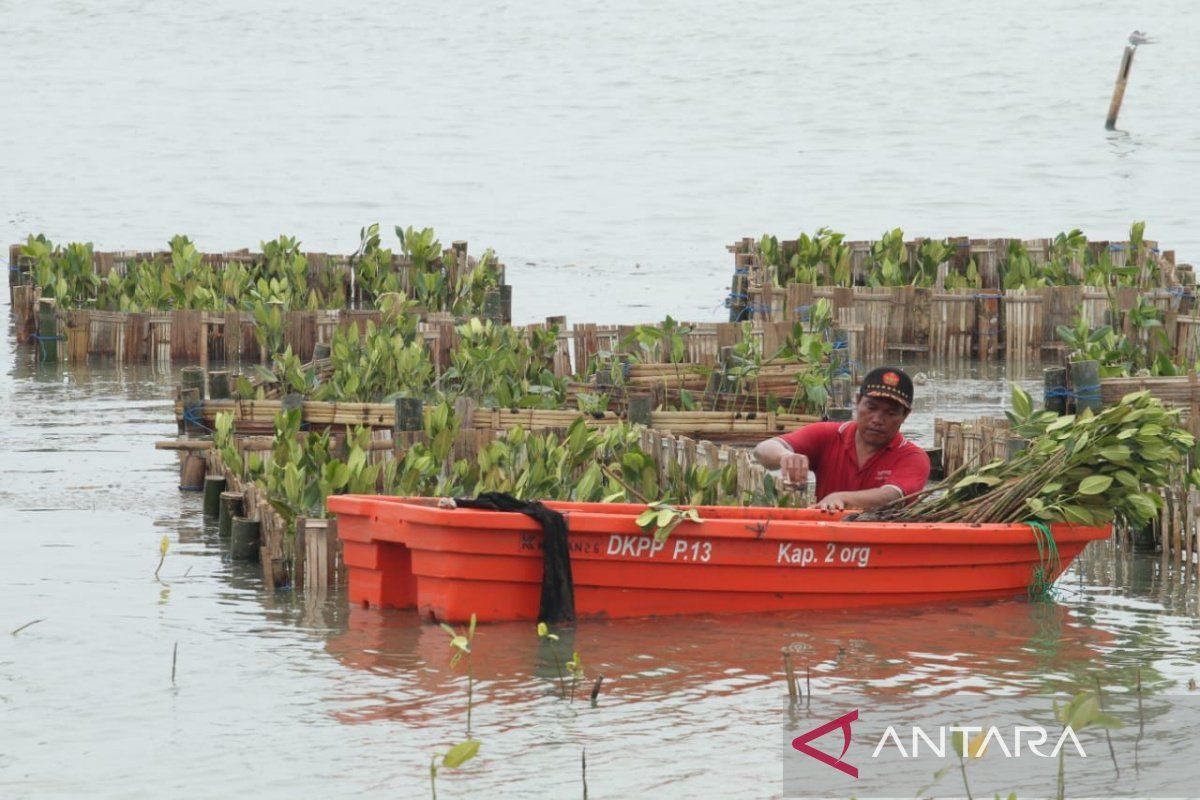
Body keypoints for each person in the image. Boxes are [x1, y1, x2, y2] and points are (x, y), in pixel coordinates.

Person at [753, 366, 931, 511]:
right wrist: (785, 456)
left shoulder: (913, 457)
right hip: (827, 537)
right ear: (857, 401)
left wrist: (841, 497)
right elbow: (763, 450)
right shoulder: (828, 435)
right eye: (871, 407)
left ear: (905, 415)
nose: (877, 419)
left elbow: (891, 496)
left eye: (890, 413)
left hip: (881, 543)